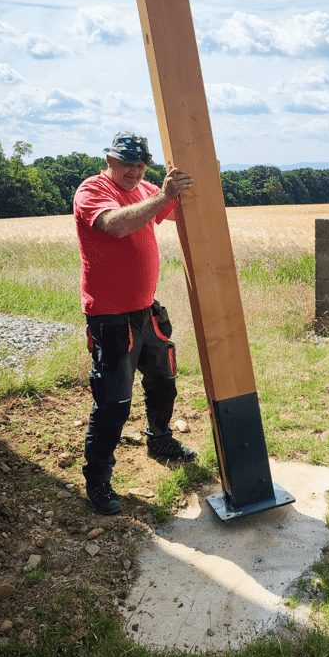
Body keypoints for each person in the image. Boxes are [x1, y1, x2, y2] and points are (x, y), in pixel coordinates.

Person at [73, 131, 196, 515]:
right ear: (110, 161)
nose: (134, 171)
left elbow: (178, 210)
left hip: (146, 311)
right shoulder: (92, 191)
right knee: (113, 402)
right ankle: (98, 481)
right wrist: (164, 195)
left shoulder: (145, 188)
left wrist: (196, 180)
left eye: (140, 164)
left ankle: (159, 438)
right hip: (111, 318)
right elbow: (116, 225)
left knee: (164, 380)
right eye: (127, 163)